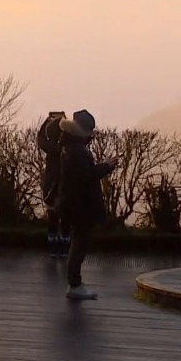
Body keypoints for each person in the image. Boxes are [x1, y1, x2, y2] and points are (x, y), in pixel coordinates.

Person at [56, 109, 118, 300]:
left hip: (72, 203)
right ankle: (74, 284)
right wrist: (106, 166)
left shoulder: (69, 147)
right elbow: (86, 176)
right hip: (80, 206)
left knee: (78, 242)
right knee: (79, 244)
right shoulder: (77, 151)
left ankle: (75, 282)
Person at [38, 110, 70, 258]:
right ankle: (65, 247)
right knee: (65, 217)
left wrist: (47, 120)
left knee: (52, 215)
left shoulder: (51, 147)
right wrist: (66, 122)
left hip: (51, 185)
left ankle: (53, 248)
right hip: (65, 184)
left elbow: (40, 138)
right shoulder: (67, 146)